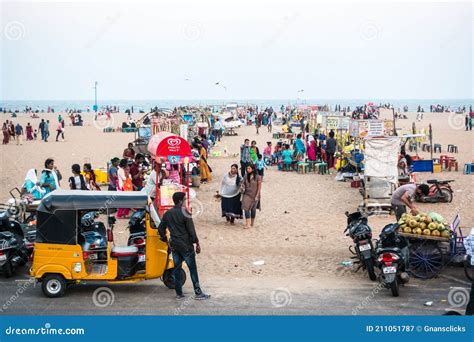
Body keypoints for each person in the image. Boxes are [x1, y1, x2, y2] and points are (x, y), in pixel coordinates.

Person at [158, 192, 210, 301]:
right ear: (181, 201)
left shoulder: (168, 214)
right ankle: (198, 293)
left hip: (175, 245)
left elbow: (160, 229)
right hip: (186, 246)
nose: (186, 201)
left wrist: (165, 239)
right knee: (193, 270)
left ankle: (179, 294)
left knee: (177, 269)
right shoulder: (185, 213)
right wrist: (197, 243)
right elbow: (191, 231)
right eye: (185, 199)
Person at [240, 164, 262, 229]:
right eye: (247, 168)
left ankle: (252, 223)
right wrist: (242, 185)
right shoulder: (246, 175)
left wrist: (257, 196)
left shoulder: (258, 177)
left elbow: (259, 187)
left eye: (249, 168)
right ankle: (248, 224)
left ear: (253, 169)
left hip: (255, 195)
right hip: (246, 194)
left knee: (253, 209)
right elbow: (242, 182)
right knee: (245, 208)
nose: (247, 170)